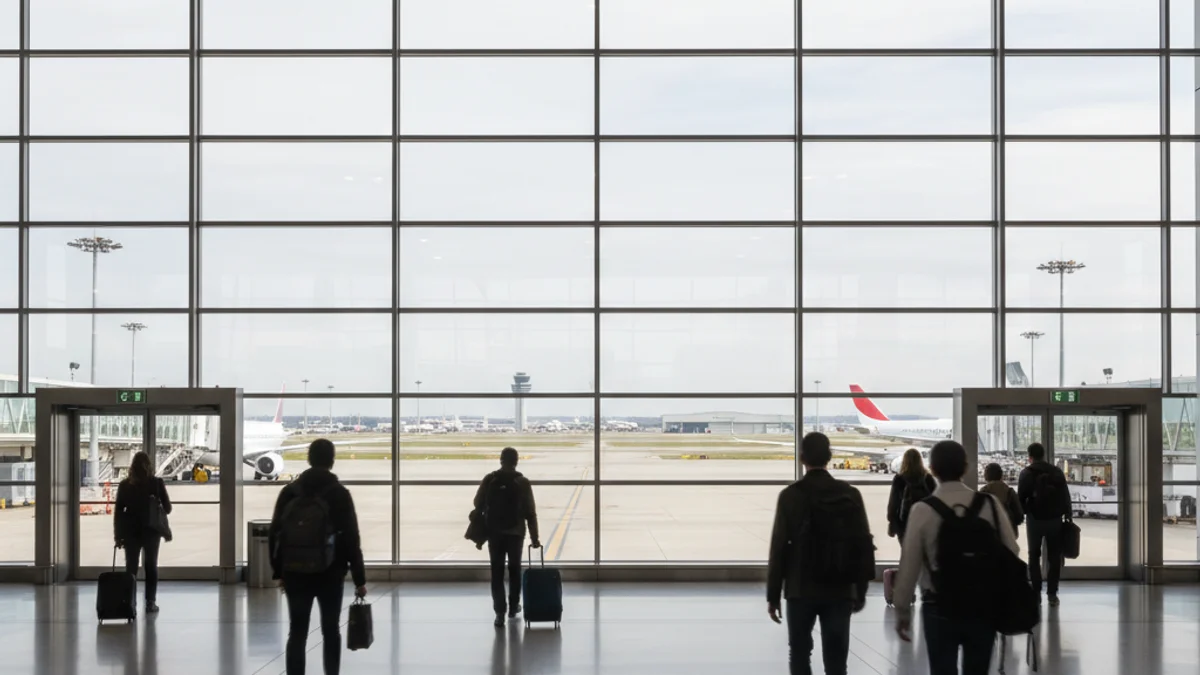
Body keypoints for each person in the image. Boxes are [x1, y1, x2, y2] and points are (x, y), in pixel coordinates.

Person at [893, 441, 1019, 675]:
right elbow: (1012, 550)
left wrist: (901, 609)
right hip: (982, 605)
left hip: (939, 606)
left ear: (932, 469)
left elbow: (909, 564)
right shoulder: (989, 505)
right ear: (966, 468)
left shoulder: (922, 510)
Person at [768, 432, 874, 675]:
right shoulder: (850, 494)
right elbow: (862, 544)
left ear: (802, 457)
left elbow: (779, 548)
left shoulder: (790, 496)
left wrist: (773, 594)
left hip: (800, 587)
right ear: (829, 457)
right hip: (840, 587)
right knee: (837, 660)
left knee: (800, 653)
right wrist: (860, 589)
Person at [269, 439, 367, 675]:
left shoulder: (290, 491)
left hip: (294, 571)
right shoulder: (340, 494)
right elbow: (351, 538)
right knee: (331, 630)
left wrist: (279, 571)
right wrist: (359, 579)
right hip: (330, 572)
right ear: (331, 460)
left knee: (298, 631)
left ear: (309, 459)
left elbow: (275, 533)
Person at [474, 447, 540, 627]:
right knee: (514, 570)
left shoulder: (490, 479)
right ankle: (513, 607)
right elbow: (530, 512)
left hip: (494, 532)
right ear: (516, 461)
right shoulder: (522, 482)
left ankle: (499, 613)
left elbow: (477, 502)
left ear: (501, 460)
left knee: (496, 572)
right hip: (516, 533)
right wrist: (535, 537)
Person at [114, 451, 172, 614]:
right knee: (151, 566)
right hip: (151, 531)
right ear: (149, 466)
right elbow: (168, 508)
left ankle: (129, 602)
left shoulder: (125, 485)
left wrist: (118, 535)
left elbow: (118, 512)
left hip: (130, 531)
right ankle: (150, 602)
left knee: (130, 568)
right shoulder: (156, 483)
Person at [1017, 442, 1071, 607]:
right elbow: (1065, 494)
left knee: (1034, 555)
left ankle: (1036, 593)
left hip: (1035, 519)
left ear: (1030, 456)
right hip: (1054, 520)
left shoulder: (1026, 473)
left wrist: (1025, 512)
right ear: (1044, 454)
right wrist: (1067, 514)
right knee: (1054, 557)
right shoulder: (1056, 471)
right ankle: (1052, 594)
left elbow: (1020, 497)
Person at [887, 449, 937, 543]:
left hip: (904, 523)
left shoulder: (899, 479)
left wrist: (891, 521)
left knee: (907, 552)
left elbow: (894, 502)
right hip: (924, 522)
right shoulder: (928, 478)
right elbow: (936, 501)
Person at [980, 463, 1023, 539]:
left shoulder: (983, 492)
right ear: (1001, 475)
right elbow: (1019, 517)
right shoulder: (1010, 492)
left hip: (989, 534)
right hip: (1009, 534)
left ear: (986, 476)